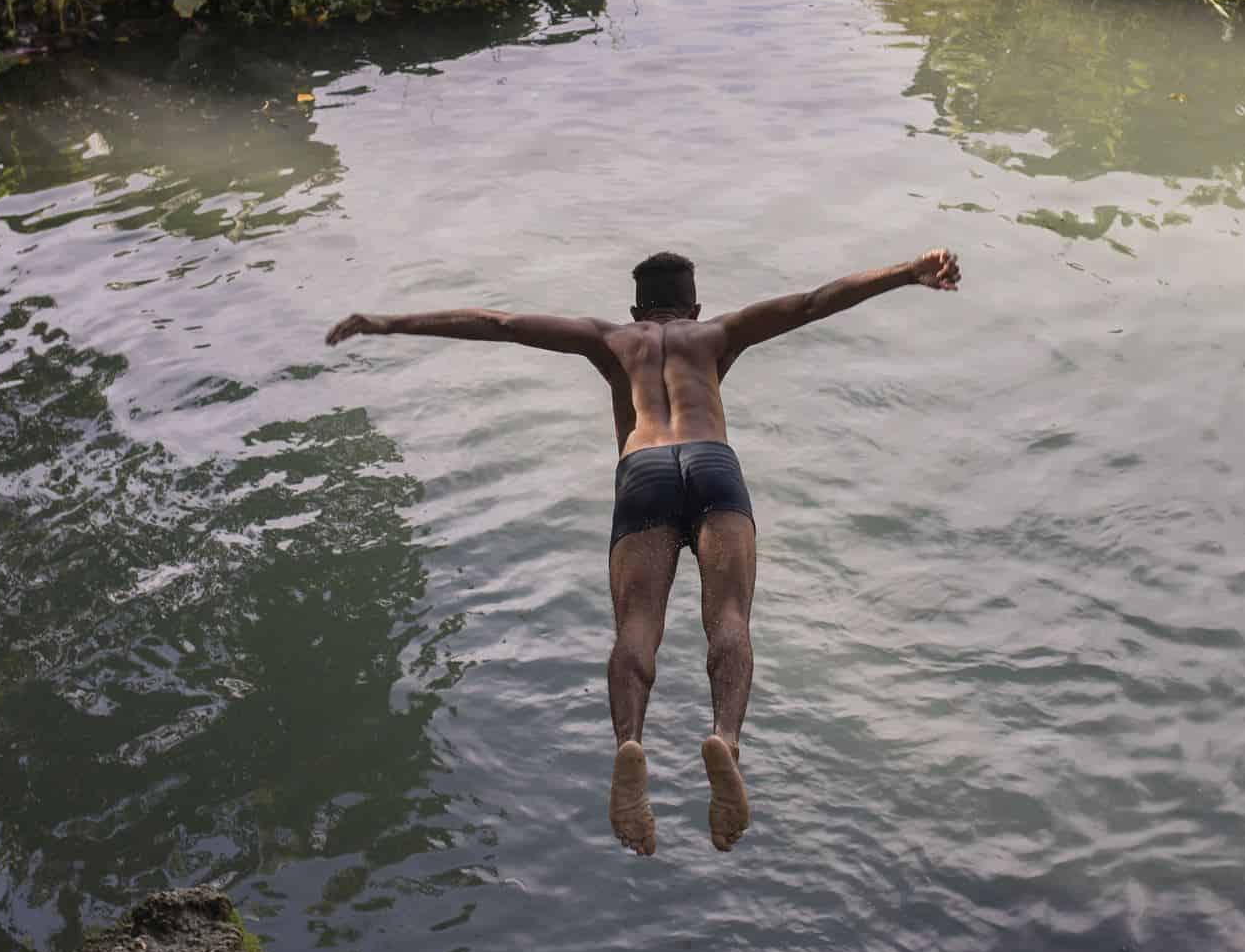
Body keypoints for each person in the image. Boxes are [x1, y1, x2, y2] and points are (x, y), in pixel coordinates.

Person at [325, 247, 962, 856]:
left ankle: (630, 744)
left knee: (637, 626)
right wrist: (908, 271)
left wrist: (388, 322)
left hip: (644, 472)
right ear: (692, 308)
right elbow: (814, 301)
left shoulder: (611, 341)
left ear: (637, 314)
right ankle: (725, 739)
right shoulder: (717, 335)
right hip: (713, 464)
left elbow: (503, 323)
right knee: (730, 617)